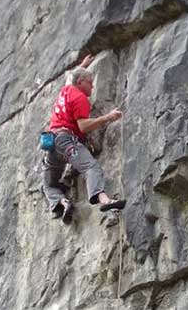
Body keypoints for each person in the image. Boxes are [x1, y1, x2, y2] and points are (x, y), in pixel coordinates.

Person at [42, 56, 126, 224]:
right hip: (66, 140)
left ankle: (62, 201)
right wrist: (108, 117)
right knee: (90, 166)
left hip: (51, 143)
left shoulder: (66, 91)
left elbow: (70, 78)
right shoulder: (80, 98)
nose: (92, 86)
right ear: (80, 82)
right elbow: (83, 127)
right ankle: (104, 200)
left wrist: (83, 65)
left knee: (49, 184)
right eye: (89, 82)